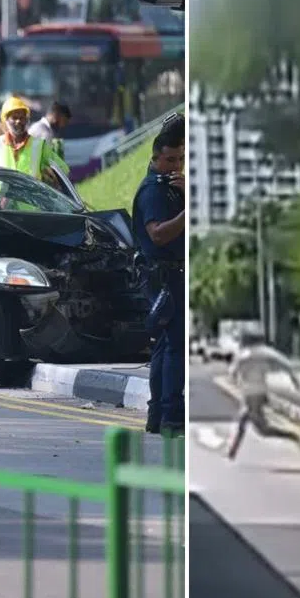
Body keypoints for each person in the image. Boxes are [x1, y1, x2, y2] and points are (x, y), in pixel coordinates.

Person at [131, 115, 186, 435]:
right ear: (154, 158)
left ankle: (158, 415)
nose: (174, 165)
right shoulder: (154, 190)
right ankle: (171, 415)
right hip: (162, 277)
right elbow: (158, 234)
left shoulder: (172, 186)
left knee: (165, 347)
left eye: (179, 159)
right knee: (173, 346)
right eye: (168, 159)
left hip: (168, 275)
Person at [225, 330, 300, 460]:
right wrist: (294, 379)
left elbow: (232, 371)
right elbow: (285, 364)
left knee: (261, 429)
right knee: (243, 422)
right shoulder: (266, 352)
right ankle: (231, 452)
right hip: (260, 392)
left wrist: (235, 379)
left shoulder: (244, 354)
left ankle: (291, 436)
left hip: (251, 395)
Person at [0, 96, 68, 182]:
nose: (18, 121)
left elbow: (63, 168)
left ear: (27, 120)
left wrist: (48, 178)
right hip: (3, 197)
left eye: (22, 118)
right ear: (6, 120)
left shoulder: (39, 146)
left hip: (31, 196)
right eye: (14, 118)